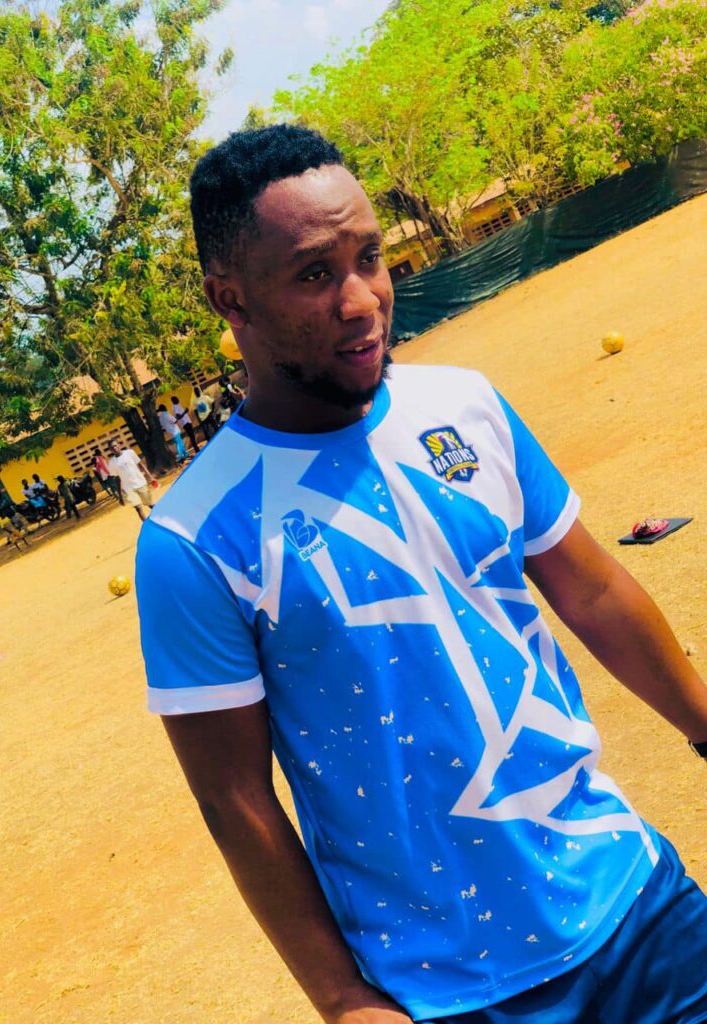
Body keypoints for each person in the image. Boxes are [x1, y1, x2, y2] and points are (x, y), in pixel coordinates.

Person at [135, 125, 707, 1024]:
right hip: (455, 989)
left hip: (640, 908)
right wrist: (340, 998)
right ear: (229, 298)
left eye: (370, 258)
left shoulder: (466, 406)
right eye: (315, 274)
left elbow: (593, 592)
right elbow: (233, 796)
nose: (362, 299)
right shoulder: (194, 540)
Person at [108, 440, 156, 521]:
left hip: (140, 483)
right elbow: (117, 478)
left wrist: (150, 477)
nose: (114, 448)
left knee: (150, 505)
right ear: (110, 450)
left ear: (119, 445)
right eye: (112, 448)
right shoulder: (112, 463)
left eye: (115, 445)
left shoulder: (129, 453)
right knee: (138, 508)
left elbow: (141, 464)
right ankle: (146, 525)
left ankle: (162, 517)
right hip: (129, 489)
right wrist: (120, 495)